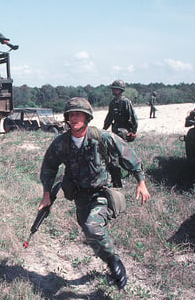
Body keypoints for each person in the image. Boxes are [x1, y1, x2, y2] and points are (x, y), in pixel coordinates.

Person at [37, 97, 150, 289]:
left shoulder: (102, 137)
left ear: (87, 117)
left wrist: (141, 181)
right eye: (71, 115)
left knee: (92, 227)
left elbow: (127, 154)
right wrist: (46, 194)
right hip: (80, 196)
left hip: (102, 194)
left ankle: (115, 263)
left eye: (78, 114)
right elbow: (49, 167)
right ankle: (108, 257)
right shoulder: (61, 143)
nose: (74, 118)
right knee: (89, 232)